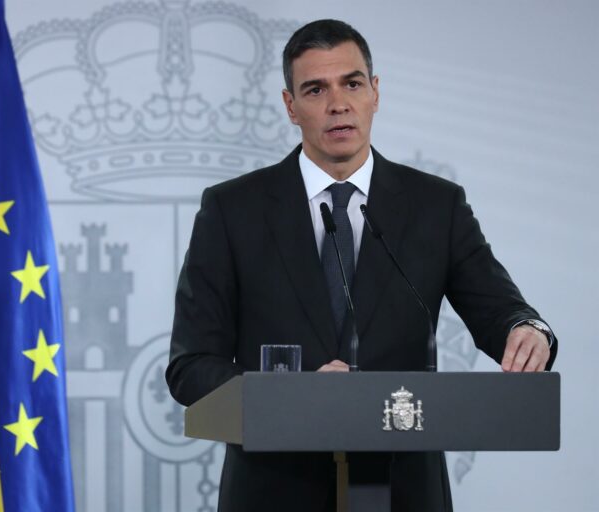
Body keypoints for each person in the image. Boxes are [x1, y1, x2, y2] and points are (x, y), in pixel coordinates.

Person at [166, 19, 556, 512]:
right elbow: (191, 367)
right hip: (275, 491)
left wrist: (527, 330)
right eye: (315, 89)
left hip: (403, 490)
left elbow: (500, 310)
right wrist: (287, 396)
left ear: (374, 92)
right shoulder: (232, 210)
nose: (338, 104)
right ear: (290, 106)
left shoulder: (436, 206)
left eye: (351, 84)